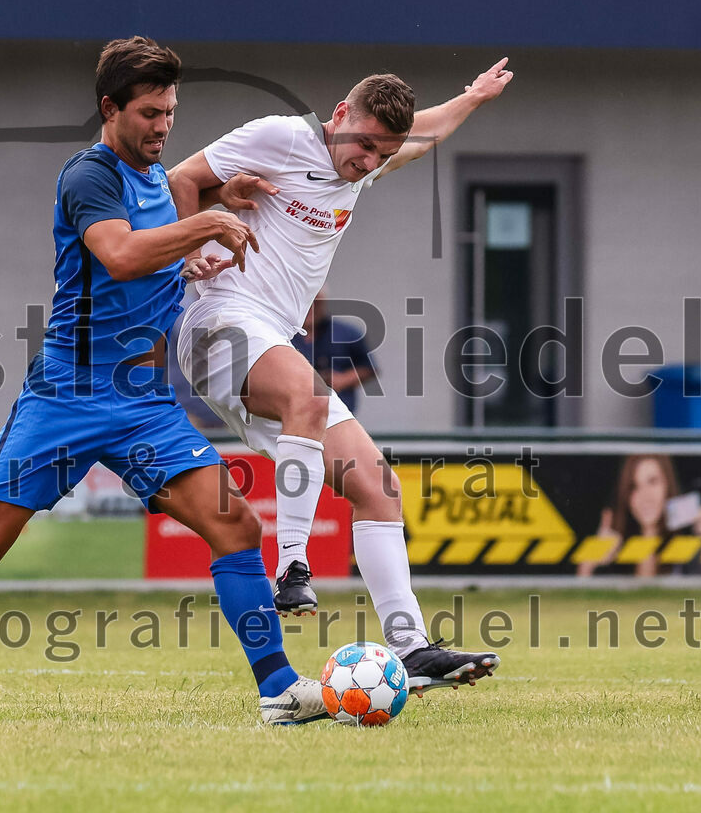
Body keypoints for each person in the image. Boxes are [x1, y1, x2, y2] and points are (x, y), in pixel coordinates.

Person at [0, 36, 327, 726]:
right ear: (109, 108)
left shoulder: (157, 179)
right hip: (68, 396)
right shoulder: (89, 175)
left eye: (171, 112)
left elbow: (145, 263)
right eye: (150, 113)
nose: (163, 126)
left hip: (146, 404)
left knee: (235, 525)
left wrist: (188, 260)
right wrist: (204, 223)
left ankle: (277, 690)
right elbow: (118, 256)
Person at [169, 60, 513, 695]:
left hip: (272, 339)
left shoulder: (368, 162)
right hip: (218, 323)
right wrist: (191, 248)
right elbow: (180, 179)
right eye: (362, 145)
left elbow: (427, 130)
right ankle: (294, 565)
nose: (366, 161)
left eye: (380, 153)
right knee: (303, 390)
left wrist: (472, 97)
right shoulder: (279, 136)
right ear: (337, 117)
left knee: (378, 487)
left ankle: (409, 648)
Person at [577, 454, 700, 578]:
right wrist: (588, 564)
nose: (645, 496)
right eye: (634, 486)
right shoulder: (617, 550)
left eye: (653, 482)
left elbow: (692, 597)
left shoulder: (687, 545)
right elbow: (581, 596)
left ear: (667, 484)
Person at [292, 289, 377, 414]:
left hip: (336, 413)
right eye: (306, 303)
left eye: (316, 303)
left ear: (324, 303)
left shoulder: (347, 333)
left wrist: (342, 379)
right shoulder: (280, 334)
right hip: (292, 411)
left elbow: (367, 368)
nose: (310, 308)